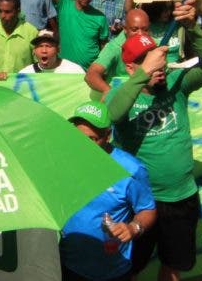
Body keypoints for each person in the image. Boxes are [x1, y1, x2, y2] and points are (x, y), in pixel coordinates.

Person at [105, 0, 202, 281]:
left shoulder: (176, 85)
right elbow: (112, 112)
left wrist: (192, 28)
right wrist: (144, 72)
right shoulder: (121, 94)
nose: (158, 67)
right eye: (147, 61)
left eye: (157, 58)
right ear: (132, 68)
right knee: (128, 267)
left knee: (173, 266)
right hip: (138, 202)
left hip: (181, 197)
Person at [60, 102, 157, 281]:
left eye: (91, 139)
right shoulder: (63, 159)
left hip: (112, 270)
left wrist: (133, 227)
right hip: (68, 264)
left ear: (107, 135)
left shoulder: (131, 169)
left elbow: (147, 209)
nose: (83, 145)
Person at [85, 8, 151, 100]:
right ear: (125, 29)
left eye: (145, 29)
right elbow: (91, 75)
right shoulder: (114, 47)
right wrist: (107, 91)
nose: (140, 34)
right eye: (134, 29)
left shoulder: (154, 45)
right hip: (117, 97)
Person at [18, 29, 86, 74]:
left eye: (48, 46)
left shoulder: (74, 71)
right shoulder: (26, 74)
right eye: (40, 46)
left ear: (58, 49)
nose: (44, 50)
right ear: (34, 51)